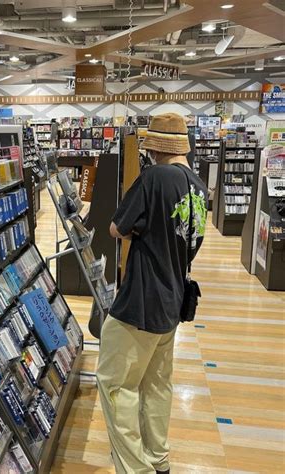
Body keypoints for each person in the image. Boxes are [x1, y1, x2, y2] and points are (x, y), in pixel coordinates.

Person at [96, 113, 208, 474]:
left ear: (156, 147)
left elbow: (116, 227)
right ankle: (159, 461)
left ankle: (135, 469)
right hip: (173, 301)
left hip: (140, 303)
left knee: (116, 386)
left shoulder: (155, 178)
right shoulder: (198, 187)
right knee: (158, 385)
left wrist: (137, 233)